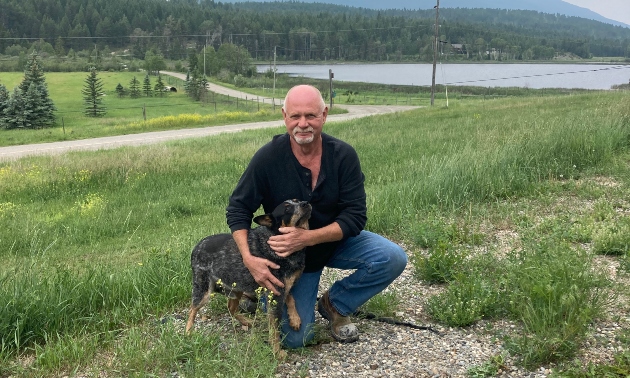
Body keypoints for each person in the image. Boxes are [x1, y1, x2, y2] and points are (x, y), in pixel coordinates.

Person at [226, 84, 407, 348]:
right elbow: (238, 209)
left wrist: (308, 238)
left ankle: (334, 304)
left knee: (392, 258)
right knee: (296, 339)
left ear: (324, 115)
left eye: (310, 116)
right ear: (284, 116)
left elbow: (355, 216)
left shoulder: (343, 156)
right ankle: (259, 294)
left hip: (331, 242)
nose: (303, 124)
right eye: (295, 116)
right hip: (286, 259)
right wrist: (249, 259)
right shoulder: (268, 158)